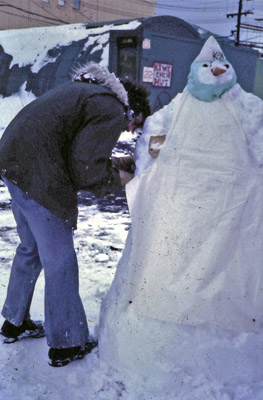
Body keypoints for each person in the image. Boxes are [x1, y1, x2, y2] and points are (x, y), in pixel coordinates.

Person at [98, 37, 263, 395]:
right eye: (207, 67)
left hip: (225, 216)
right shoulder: (177, 111)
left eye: (219, 67)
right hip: (181, 213)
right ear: (196, 72)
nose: (215, 71)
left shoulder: (249, 112)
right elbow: (151, 146)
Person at [0, 62, 150, 367]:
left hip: (11, 160)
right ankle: (66, 344)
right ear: (133, 111)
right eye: (136, 124)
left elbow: (73, 144)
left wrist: (117, 164)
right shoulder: (112, 109)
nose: (129, 129)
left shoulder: (86, 93)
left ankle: (13, 322)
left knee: (31, 249)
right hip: (39, 174)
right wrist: (117, 180)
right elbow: (83, 167)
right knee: (61, 260)